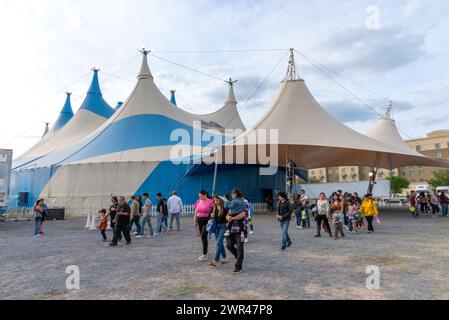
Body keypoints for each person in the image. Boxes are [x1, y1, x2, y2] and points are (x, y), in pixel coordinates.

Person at [226, 192, 247, 274]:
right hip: (231, 230)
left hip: (240, 230)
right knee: (229, 245)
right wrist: (228, 217)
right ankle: (238, 257)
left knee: (240, 248)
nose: (232, 195)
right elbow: (227, 214)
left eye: (233, 194)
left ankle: (238, 266)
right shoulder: (232, 202)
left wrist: (233, 218)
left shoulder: (244, 202)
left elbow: (243, 214)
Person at [194, 191, 214, 261]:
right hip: (199, 220)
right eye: (199, 196)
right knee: (203, 237)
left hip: (207, 221)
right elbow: (196, 211)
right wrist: (195, 221)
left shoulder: (211, 201)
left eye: (201, 196)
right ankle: (206, 251)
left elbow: (214, 210)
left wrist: (212, 219)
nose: (200, 197)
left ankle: (204, 254)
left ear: (205, 195)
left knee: (203, 235)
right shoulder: (198, 201)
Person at [209, 196, 229, 267]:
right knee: (220, 243)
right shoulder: (213, 208)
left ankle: (215, 260)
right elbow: (210, 217)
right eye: (214, 200)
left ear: (220, 200)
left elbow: (227, 219)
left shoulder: (224, 208)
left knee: (218, 242)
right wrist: (211, 215)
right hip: (216, 227)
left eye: (216, 200)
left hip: (223, 226)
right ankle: (224, 258)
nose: (215, 202)